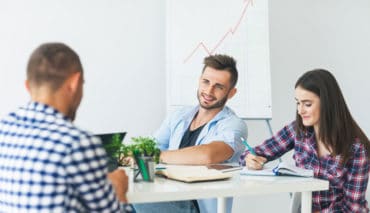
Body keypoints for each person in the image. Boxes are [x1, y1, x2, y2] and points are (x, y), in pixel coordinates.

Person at [0, 43, 132, 212]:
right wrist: (118, 191)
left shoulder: (5, 129)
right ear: (74, 83)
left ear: (28, 85)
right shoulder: (77, 143)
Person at [240, 69, 370, 212]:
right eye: (298, 103)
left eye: (307, 104)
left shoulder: (356, 148)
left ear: (327, 103)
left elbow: (353, 207)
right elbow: (252, 154)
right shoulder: (298, 130)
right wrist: (250, 159)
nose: (300, 111)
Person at [134, 54, 247, 213]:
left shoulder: (234, 125)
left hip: (198, 207)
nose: (209, 91)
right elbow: (150, 146)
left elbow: (207, 155)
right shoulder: (179, 116)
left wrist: (155, 156)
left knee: (140, 199)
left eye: (219, 86)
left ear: (231, 93)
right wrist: (129, 155)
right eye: (206, 82)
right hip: (168, 195)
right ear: (199, 80)